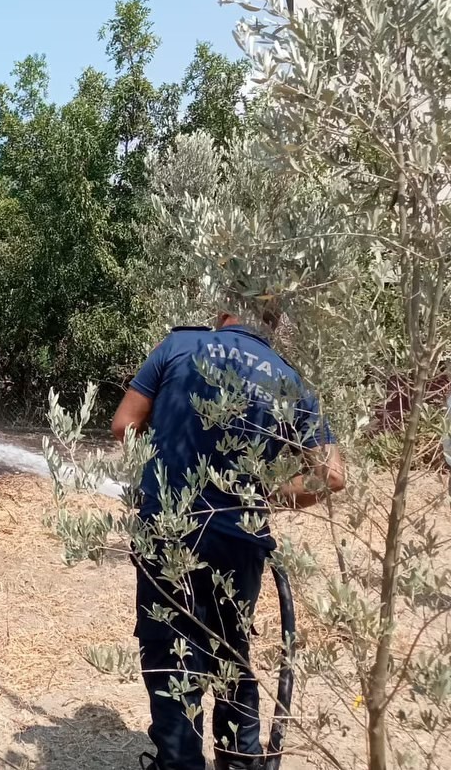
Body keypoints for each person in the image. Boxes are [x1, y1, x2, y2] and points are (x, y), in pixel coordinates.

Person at [111, 307, 345, 770]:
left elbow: (124, 426)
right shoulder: (290, 382)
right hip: (241, 540)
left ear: (223, 313)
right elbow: (332, 477)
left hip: (169, 530)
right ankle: (241, 761)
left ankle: (179, 764)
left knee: (170, 650)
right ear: (274, 324)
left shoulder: (177, 346)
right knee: (229, 651)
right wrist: (265, 495)